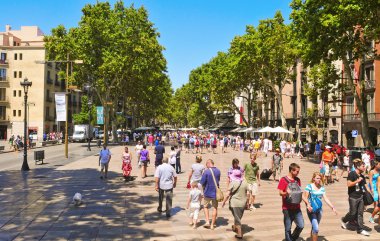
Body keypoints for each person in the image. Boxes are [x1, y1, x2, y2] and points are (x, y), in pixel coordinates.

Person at [303, 172, 338, 241]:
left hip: (319, 210)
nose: (319, 180)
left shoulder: (322, 188)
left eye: (320, 178)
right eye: (317, 178)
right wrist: (308, 206)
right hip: (311, 210)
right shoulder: (309, 186)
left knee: (314, 227)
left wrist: (332, 207)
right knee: (316, 228)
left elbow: (325, 198)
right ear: (313, 179)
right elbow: (305, 197)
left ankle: (312, 238)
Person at [341, 159, 371, 236]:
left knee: (360, 214)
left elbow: (365, 185)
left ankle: (360, 229)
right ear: (357, 166)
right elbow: (348, 184)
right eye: (363, 166)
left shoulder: (362, 175)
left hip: (361, 196)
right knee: (353, 212)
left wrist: (369, 193)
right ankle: (344, 220)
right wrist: (357, 181)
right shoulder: (352, 174)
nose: (364, 167)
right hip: (353, 197)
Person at [278, 163, 305, 241]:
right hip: (287, 208)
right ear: (292, 170)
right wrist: (286, 193)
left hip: (297, 208)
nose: (298, 173)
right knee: (288, 228)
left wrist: (307, 202)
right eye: (297, 171)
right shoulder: (283, 179)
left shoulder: (297, 180)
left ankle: (292, 238)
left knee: (301, 225)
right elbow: (280, 193)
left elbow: (299, 192)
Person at [222, 169, 248, 239]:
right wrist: (247, 203)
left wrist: (224, 202)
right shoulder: (245, 182)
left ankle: (239, 233)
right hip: (242, 203)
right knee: (237, 216)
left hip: (234, 203)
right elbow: (248, 193)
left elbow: (227, 194)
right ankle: (235, 226)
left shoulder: (233, 183)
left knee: (237, 217)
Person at [200, 159, 221, 229]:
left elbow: (202, 183)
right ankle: (212, 225)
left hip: (207, 192)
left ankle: (207, 222)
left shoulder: (206, 172)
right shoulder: (218, 171)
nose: (206, 167)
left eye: (206, 165)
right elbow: (218, 180)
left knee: (205, 207)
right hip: (215, 193)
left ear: (209, 163)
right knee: (215, 208)